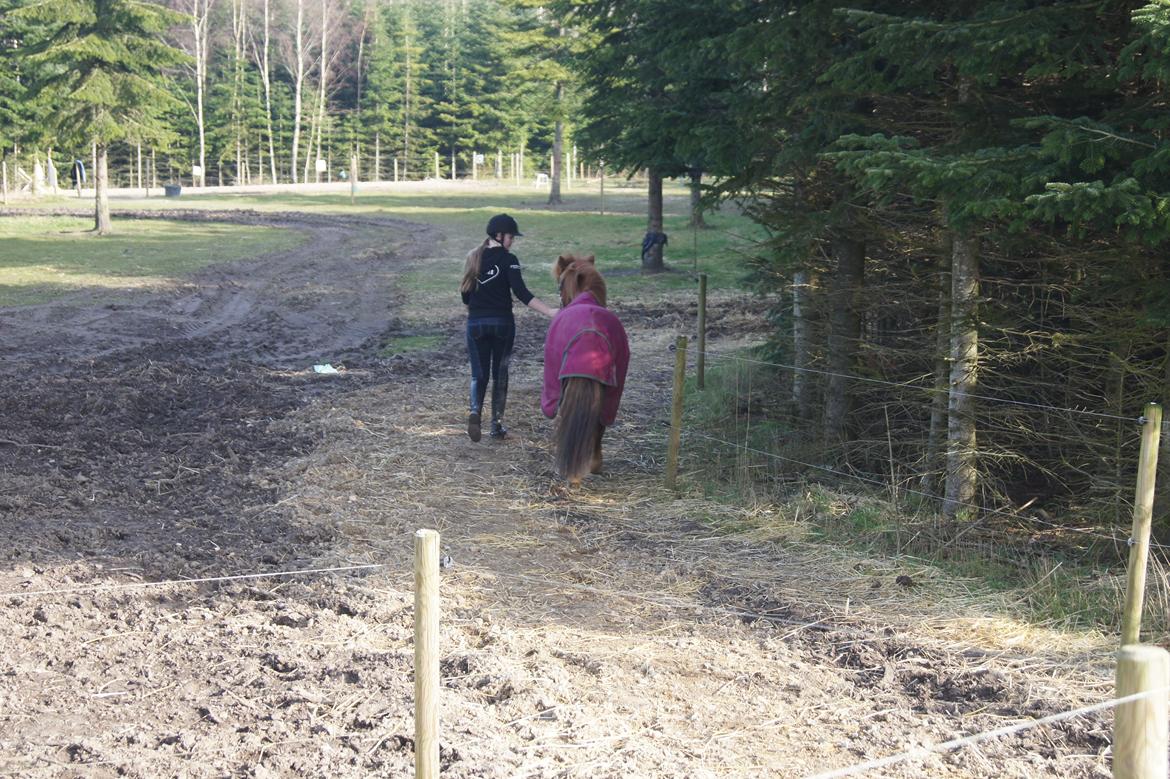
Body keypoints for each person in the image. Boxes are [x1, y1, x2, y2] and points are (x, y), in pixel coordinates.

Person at [460, 213, 556, 441]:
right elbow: (521, 293)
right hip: (502, 324)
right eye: (511, 237)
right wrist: (550, 312)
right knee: (500, 375)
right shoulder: (509, 259)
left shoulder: (473, 257)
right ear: (499, 236)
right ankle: (496, 427)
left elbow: (465, 296)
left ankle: (475, 411)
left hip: (476, 324)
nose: (512, 241)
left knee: (478, 374)